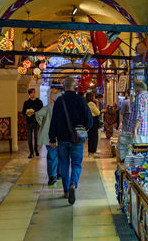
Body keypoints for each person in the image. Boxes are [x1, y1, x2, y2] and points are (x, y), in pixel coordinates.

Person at [49, 77, 93, 205]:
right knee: (76, 164)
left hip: (62, 139)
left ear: (63, 86)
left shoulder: (59, 101)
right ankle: (73, 184)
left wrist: (52, 138)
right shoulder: (80, 100)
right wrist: (86, 129)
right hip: (77, 139)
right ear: (74, 86)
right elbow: (88, 118)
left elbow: (54, 121)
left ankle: (66, 191)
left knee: (63, 164)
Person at [36, 84, 62, 185]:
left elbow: (38, 114)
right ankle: (59, 174)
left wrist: (43, 124)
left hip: (49, 137)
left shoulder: (48, 108)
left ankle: (52, 176)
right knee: (61, 155)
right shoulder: (63, 109)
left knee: (52, 156)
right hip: (61, 137)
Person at [22, 88, 43, 158]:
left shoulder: (39, 102)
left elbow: (41, 111)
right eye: (31, 93)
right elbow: (23, 112)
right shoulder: (26, 102)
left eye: (34, 92)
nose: (32, 94)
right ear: (29, 94)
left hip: (36, 121)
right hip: (29, 121)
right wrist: (28, 112)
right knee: (29, 138)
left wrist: (35, 112)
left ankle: (36, 150)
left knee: (37, 137)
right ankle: (31, 152)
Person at [86, 92, 100, 158]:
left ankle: (90, 152)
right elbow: (98, 112)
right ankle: (92, 152)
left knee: (91, 137)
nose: (95, 97)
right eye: (94, 96)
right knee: (94, 137)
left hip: (91, 122)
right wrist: (97, 103)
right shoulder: (91, 104)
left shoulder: (88, 103)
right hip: (93, 122)